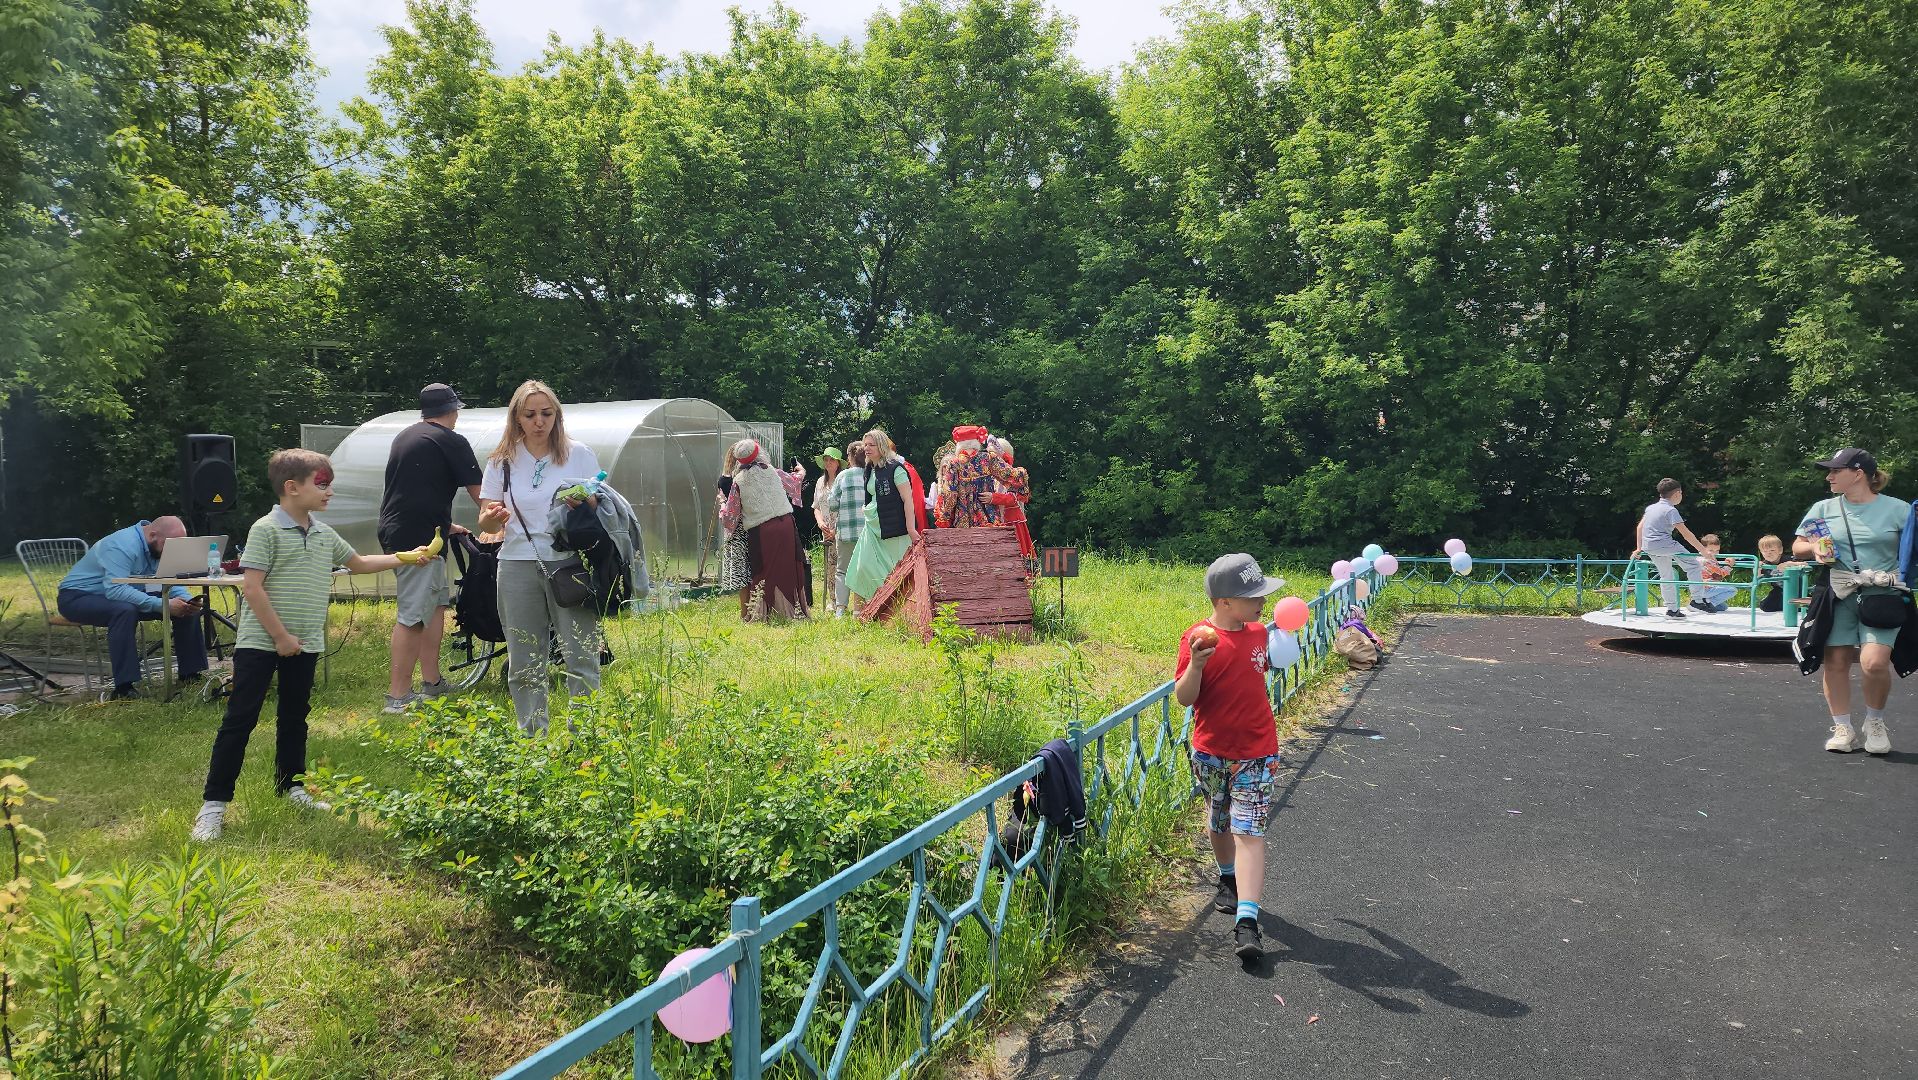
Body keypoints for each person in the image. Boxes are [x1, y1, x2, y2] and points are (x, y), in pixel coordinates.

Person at [190, 450, 435, 841]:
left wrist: (405, 558)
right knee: (241, 719)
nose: (330, 492)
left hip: (305, 644)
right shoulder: (266, 529)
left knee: (294, 716)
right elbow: (252, 588)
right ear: (292, 487)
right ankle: (214, 806)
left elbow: (357, 563)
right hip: (261, 643)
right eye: (322, 484)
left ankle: (291, 787)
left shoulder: (323, 533)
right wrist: (281, 637)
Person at [478, 380, 605, 735]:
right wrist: (493, 517)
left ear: (557, 416)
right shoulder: (502, 460)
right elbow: (486, 517)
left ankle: (586, 740)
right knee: (524, 658)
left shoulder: (579, 453)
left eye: (546, 414)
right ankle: (533, 739)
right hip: (516, 562)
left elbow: (599, 507)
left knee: (581, 655)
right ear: (517, 418)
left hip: (569, 561)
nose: (539, 421)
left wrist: (585, 502)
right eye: (530, 414)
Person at [1174, 553, 1283, 961]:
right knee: (1218, 820)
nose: (1262, 603)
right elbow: (1185, 698)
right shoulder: (1196, 639)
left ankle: (1248, 923)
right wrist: (1197, 666)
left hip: (1258, 751)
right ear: (1224, 602)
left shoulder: (1258, 633)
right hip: (1211, 752)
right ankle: (1227, 878)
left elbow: (1258, 671)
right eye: (1253, 596)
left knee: (1250, 833)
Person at [378, 382, 508, 714]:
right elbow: (484, 497)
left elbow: (409, 491)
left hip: (404, 529)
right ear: (453, 411)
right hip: (419, 541)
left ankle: (432, 684)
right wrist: (508, 522)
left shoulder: (405, 436)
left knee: (435, 606)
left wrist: (448, 525)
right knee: (412, 615)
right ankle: (397, 697)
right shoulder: (451, 441)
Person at [1794, 448, 1907, 755]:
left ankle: (1875, 721)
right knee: (1836, 661)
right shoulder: (1823, 508)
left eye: (1835, 471)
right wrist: (1814, 544)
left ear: (1858, 474)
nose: (1829, 476)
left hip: (1883, 593)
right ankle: (1843, 728)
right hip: (1838, 591)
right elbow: (1798, 543)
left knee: (1874, 662)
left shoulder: (1899, 510)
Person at [57, 516, 208, 700]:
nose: (174, 552)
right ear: (153, 535)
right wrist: (163, 605)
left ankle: (190, 674)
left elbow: (169, 581)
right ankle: (123, 688)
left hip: (124, 595)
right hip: (78, 597)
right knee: (124, 610)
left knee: (185, 608)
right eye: (172, 546)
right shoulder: (122, 545)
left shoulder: (160, 546)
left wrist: (186, 600)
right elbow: (115, 590)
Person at [718, 439, 809, 621]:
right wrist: (802, 472)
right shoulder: (772, 471)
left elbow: (730, 518)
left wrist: (721, 501)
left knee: (764, 571)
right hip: (786, 524)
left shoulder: (738, 481)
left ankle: (768, 613)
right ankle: (794, 610)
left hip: (762, 530)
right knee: (788, 568)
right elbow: (793, 483)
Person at [846, 428, 921, 608]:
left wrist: (911, 529)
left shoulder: (896, 469)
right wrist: (867, 507)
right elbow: (872, 496)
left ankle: (893, 609)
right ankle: (868, 608)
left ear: (881, 446)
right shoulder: (869, 469)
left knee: (895, 571)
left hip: (894, 528)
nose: (867, 448)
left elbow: (908, 500)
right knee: (862, 566)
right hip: (872, 526)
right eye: (865, 445)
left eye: (871, 445)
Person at [1631, 478, 1711, 618]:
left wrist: (1639, 548)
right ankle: (1697, 601)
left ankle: (1672, 610)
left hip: (1649, 546)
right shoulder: (1670, 510)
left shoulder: (1651, 508)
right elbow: (1686, 534)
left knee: (1666, 576)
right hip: (1665, 544)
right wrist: (1703, 551)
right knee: (1693, 566)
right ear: (1677, 493)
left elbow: (1640, 527)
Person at [934, 424, 1025, 529]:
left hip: (964, 520)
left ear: (959, 444)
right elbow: (1013, 475)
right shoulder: (989, 458)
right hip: (989, 516)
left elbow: (950, 495)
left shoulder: (954, 463)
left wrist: (944, 516)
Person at [825, 441, 868, 617]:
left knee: (842, 570)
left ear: (849, 457)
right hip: (866, 533)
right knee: (863, 569)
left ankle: (841, 609)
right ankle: (861, 609)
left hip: (845, 532)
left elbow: (832, 504)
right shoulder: (870, 475)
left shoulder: (843, 476)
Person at [812, 446, 846, 615]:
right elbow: (816, 506)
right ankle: (832, 601)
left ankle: (842, 602)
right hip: (825, 528)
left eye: (831, 459)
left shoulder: (842, 480)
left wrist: (835, 528)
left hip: (840, 527)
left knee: (841, 565)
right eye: (826, 459)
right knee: (829, 565)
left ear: (838, 462)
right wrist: (819, 523)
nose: (828, 462)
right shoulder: (820, 482)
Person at [714, 445, 751, 594]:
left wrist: (722, 502)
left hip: (732, 529)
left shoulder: (723, 481)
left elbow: (726, 510)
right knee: (750, 568)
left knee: (739, 570)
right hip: (748, 524)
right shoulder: (746, 478)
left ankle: (745, 609)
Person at [1755, 533, 1804, 613]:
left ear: (1780, 550)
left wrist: (1789, 564)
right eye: (1765, 551)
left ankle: (1792, 605)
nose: (1768, 553)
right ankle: (1786, 605)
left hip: (1796, 590)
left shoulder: (1788, 559)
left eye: (1772, 550)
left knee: (1802, 607)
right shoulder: (1765, 564)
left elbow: (1805, 564)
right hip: (1779, 591)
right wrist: (1758, 569)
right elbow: (1757, 578)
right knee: (1765, 606)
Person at [1694, 534, 1736, 612]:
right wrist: (1729, 565)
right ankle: (1705, 605)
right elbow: (1720, 575)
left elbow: (1715, 571)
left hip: (1701, 588)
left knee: (1723, 607)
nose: (1715, 553)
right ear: (1702, 549)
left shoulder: (1699, 558)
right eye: (1711, 550)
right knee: (1732, 590)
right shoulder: (1707, 560)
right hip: (1706, 588)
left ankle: (1702, 603)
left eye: (1717, 550)